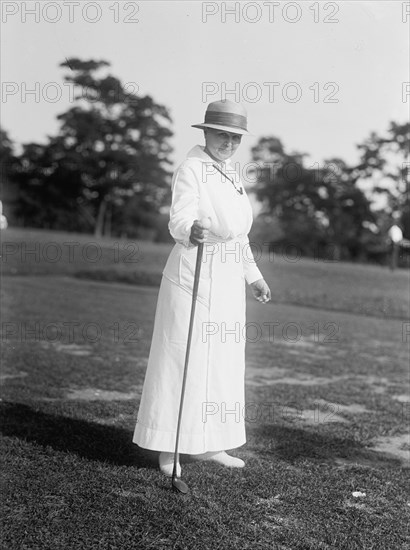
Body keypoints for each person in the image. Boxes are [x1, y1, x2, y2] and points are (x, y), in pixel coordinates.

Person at [133, 100, 271, 477]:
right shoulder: (191, 168)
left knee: (223, 362)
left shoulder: (231, 173)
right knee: (184, 357)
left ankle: (212, 445)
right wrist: (189, 230)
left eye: (234, 137)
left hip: (226, 280)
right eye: (221, 134)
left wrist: (253, 275)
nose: (228, 142)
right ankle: (169, 447)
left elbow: (239, 235)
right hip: (193, 273)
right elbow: (179, 217)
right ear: (206, 132)